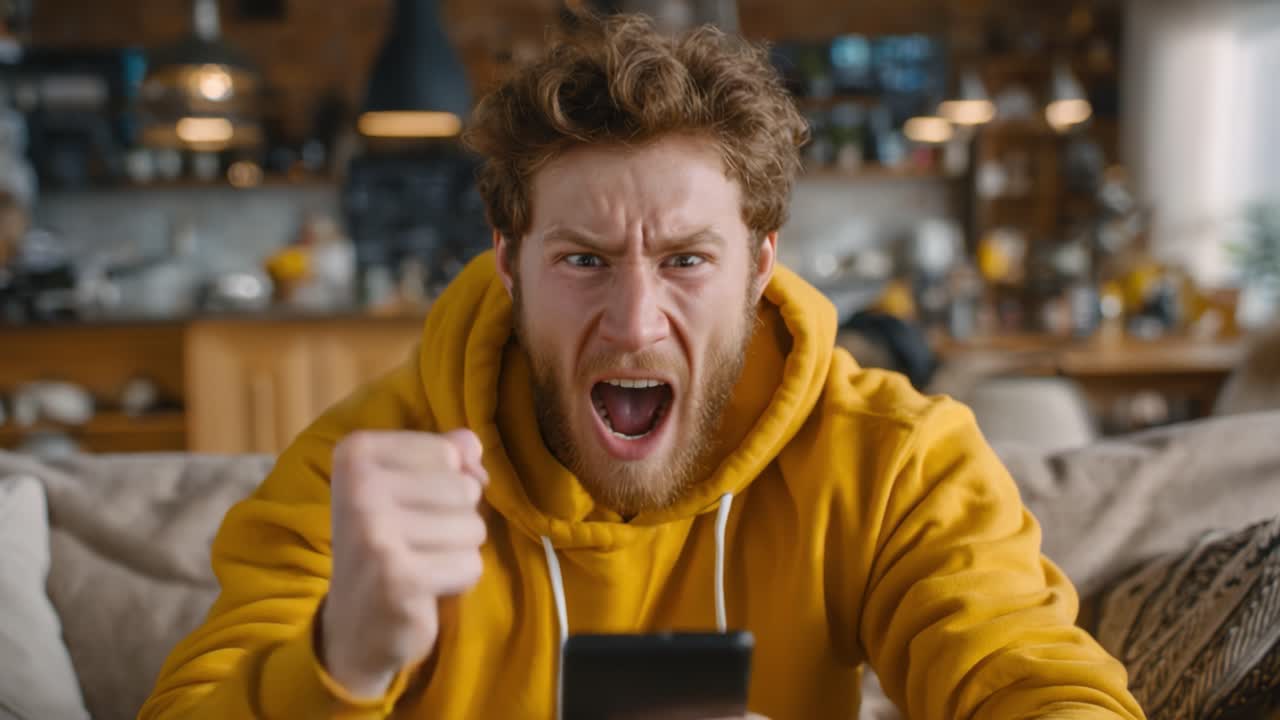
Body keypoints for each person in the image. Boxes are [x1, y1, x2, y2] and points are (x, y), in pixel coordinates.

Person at [140, 14, 1144, 720]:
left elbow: (1037, 683)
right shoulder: (369, 474)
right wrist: (340, 662)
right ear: (508, 264)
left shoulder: (892, 460)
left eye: (686, 261)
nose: (632, 323)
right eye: (582, 260)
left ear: (758, 267)